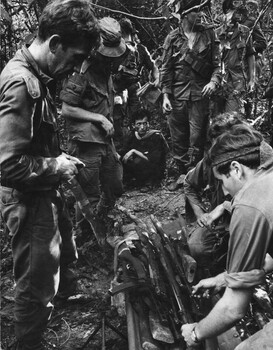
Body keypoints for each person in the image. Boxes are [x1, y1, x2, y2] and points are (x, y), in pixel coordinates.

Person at [0, 1, 100, 349]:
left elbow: (31, 144)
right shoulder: (21, 83)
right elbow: (7, 165)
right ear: (54, 43)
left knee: (62, 252)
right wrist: (55, 166)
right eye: (73, 58)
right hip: (26, 198)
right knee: (35, 279)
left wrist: (56, 158)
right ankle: (30, 341)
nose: (73, 69)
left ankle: (62, 301)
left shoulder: (38, 76)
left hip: (42, 188)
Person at [181, 124, 273, 348]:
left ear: (236, 168)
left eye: (222, 181)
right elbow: (272, 256)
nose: (224, 192)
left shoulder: (249, 204)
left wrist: (196, 332)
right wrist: (225, 278)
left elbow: (234, 308)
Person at [60, 17, 126, 246]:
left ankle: (101, 220)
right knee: (88, 195)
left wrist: (113, 144)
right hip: (86, 142)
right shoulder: (81, 71)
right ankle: (84, 236)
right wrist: (97, 118)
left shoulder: (104, 70)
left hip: (105, 141)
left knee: (115, 184)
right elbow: (66, 108)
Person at [160, 0, 221, 177]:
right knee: (178, 138)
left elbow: (218, 65)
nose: (201, 15)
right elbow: (166, 69)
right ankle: (181, 174)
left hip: (199, 95)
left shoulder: (209, 34)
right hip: (177, 96)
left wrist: (213, 82)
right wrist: (165, 96)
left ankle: (195, 176)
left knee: (198, 138)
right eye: (197, 12)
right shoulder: (172, 38)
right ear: (186, 15)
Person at [184, 112, 245, 274]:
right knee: (196, 247)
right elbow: (189, 185)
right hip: (219, 224)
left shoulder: (252, 164)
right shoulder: (209, 162)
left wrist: (225, 206)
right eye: (215, 144)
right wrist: (200, 214)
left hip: (246, 223)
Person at [214, 0, 256, 115]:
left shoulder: (244, 32)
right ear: (226, 13)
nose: (238, 15)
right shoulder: (216, 33)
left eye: (239, 13)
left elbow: (250, 55)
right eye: (235, 12)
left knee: (232, 117)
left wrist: (252, 79)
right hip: (219, 79)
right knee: (216, 118)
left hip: (237, 81)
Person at [121, 108, 168, 188]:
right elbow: (124, 152)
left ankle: (150, 182)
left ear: (149, 124)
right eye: (139, 124)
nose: (142, 127)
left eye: (145, 123)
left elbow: (154, 160)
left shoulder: (155, 136)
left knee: (139, 161)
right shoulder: (132, 136)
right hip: (138, 167)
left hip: (153, 167)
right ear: (133, 125)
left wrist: (134, 151)